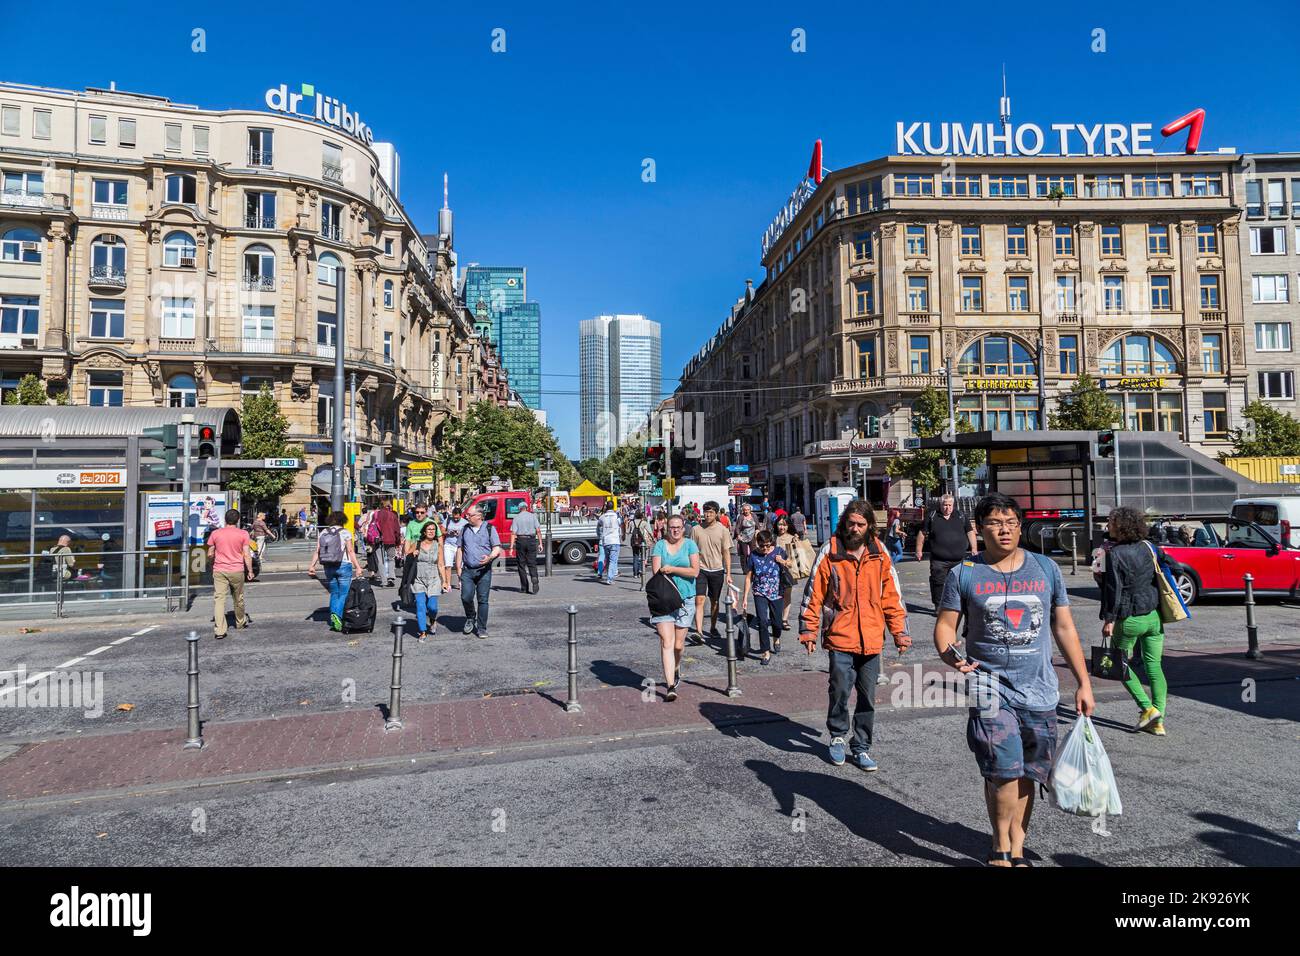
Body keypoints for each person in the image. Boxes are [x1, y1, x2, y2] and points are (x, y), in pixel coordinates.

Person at [933, 492, 1095, 867]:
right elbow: (945, 628)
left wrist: (1083, 682)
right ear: (979, 528)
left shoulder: (1045, 569)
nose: (1003, 530)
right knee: (1003, 770)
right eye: (994, 523)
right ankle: (1001, 846)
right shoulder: (965, 574)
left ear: (1020, 527)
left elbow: (1064, 627)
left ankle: (1016, 843)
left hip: (1039, 689)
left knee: (1027, 774)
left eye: (1010, 523)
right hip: (989, 688)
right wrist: (951, 656)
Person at [799, 499, 911, 771]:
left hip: (871, 635)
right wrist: (808, 629)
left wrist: (900, 632)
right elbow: (814, 593)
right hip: (840, 634)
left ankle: (861, 746)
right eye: (851, 523)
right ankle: (838, 735)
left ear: (870, 525)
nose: (855, 528)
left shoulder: (879, 552)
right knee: (839, 688)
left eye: (861, 524)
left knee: (867, 695)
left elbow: (892, 597)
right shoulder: (831, 551)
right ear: (844, 523)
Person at [1101, 506, 1172, 736]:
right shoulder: (1149, 547)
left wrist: (1109, 619)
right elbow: (1171, 565)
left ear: (1120, 526)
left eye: (1110, 522)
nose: (1107, 526)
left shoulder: (1115, 554)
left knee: (1118, 665)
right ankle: (1158, 720)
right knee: (1154, 667)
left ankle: (1147, 708)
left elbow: (1114, 590)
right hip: (1154, 616)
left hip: (1129, 617)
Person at [650, 514, 700, 701]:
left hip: (686, 598)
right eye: (672, 527)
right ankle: (670, 686)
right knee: (666, 642)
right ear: (666, 527)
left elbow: (695, 571)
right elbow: (656, 573)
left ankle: (677, 666)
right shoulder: (660, 546)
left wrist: (672, 569)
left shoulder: (690, 545)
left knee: (679, 645)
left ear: (684, 527)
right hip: (663, 600)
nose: (676, 530)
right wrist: (664, 570)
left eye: (679, 527)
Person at [914, 493, 978, 612]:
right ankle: (938, 606)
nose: (947, 508)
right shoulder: (932, 516)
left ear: (953, 505)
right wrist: (918, 550)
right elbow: (922, 533)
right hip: (939, 559)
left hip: (959, 559)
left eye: (949, 505)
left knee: (960, 583)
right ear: (940, 504)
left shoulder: (960, 516)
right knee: (938, 583)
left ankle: (960, 606)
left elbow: (970, 532)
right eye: (944, 505)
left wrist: (974, 548)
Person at [689, 501, 733, 645]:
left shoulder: (723, 530)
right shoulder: (696, 529)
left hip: (717, 569)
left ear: (716, 514)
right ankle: (699, 631)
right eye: (705, 511)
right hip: (701, 569)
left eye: (710, 512)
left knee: (714, 601)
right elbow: (692, 551)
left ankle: (713, 627)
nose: (707, 515)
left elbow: (726, 552)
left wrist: (729, 573)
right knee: (699, 600)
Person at [208, 509, 254, 639]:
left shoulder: (215, 533)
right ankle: (240, 622)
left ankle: (220, 630)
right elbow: (246, 554)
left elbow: (210, 553)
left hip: (219, 569)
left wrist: (212, 563)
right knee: (238, 597)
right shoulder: (243, 534)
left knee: (219, 600)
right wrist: (250, 570)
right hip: (237, 570)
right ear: (238, 520)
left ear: (225, 519)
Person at [746, 529, 790, 665]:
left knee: (777, 622)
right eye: (762, 545)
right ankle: (766, 651)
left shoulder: (778, 551)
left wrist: (782, 561)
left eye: (767, 545)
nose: (765, 548)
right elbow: (748, 577)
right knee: (762, 621)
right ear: (757, 543)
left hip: (777, 592)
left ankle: (776, 638)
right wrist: (744, 599)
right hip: (759, 592)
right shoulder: (753, 555)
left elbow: (792, 564)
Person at [458, 504, 502, 637]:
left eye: (469, 515)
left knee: (483, 600)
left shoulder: (489, 528)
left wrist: (490, 557)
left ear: (478, 516)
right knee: (466, 597)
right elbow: (460, 549)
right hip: (467, 570)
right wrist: (458, 568)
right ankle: (471, 616)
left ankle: (482, 628)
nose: (466, 517)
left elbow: (497, 548)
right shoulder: (464, 529)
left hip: (484, 570)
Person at [406, 520, 445, 641]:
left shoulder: (438, 545)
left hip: (434, 579)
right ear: (424, 531)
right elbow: (407, 557)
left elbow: (441, 564)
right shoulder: (417, 543)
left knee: (432, 607)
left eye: (433, 530)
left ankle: (433, 619)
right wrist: (412, 554)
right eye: (429, 529)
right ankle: (422, 631)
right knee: (420, 605)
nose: (431, 531)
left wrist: (445, 581)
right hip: (418, 579)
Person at [773, 514, 799, 630]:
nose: (782, 527)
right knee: (776, 595)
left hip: (788, 570)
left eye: (784, 525)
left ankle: (784, 619)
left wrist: (796, 542)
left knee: (787, 595)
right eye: (780, 524)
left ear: (788, 526)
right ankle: (776, 616)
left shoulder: (792, 538)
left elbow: (795, 557)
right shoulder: (773, 537)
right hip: (773, 570)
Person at [510, 500, 542, 594]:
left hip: (521, 540)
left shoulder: (516, 518)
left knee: (521, 565)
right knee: (532, 563)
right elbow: (538, 531)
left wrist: (511, 547)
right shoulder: (533, 516)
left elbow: (513, 533)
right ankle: (534, 577)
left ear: (519, 508)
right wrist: (540, 543)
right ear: (527, 508)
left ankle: (524, 587)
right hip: (531, 540)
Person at [371, 500, 402, 587]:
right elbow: (397, 530)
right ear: (389, 506)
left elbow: (372, 526)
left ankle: (384, 581)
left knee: (381, 561)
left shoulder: (376, 514)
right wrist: (397, 541)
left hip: (379, 540)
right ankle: (391, 578)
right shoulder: (393, 515)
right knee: (391, 559)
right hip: (391, 540)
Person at [597, 502, 622, 585]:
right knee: (613, 560)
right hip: (614, 540)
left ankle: (609, 575)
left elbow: (598, 526)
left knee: (607, 560)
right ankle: (610, 578)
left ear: (606, 507)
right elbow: (621, 523)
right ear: (613, 507)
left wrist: (599, 535)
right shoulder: (617, 516)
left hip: (606, 541)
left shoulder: (602, 517)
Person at [443, 507, 467, 590]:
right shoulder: (448, 520)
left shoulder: (465, 522)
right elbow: (442, 531)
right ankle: (448, 584)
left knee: (458, 566)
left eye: (457, 517)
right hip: (448, 545)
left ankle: (460, 582)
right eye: (454, 517)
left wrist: (460, 533)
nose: (456, 519)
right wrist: (449, 532)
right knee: (448, 565)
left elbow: (468, 534)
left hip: (459, 546)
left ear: (461, 515)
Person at [630, 509, 653, 577]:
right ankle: (640, 569)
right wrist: (652, 538)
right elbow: (650, 532)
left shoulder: (632, 522)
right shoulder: (644, 522)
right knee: (643, 556)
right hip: (642, 541)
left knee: (635, 556)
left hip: (634, 541)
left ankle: (635, 573)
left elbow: (629, 531)